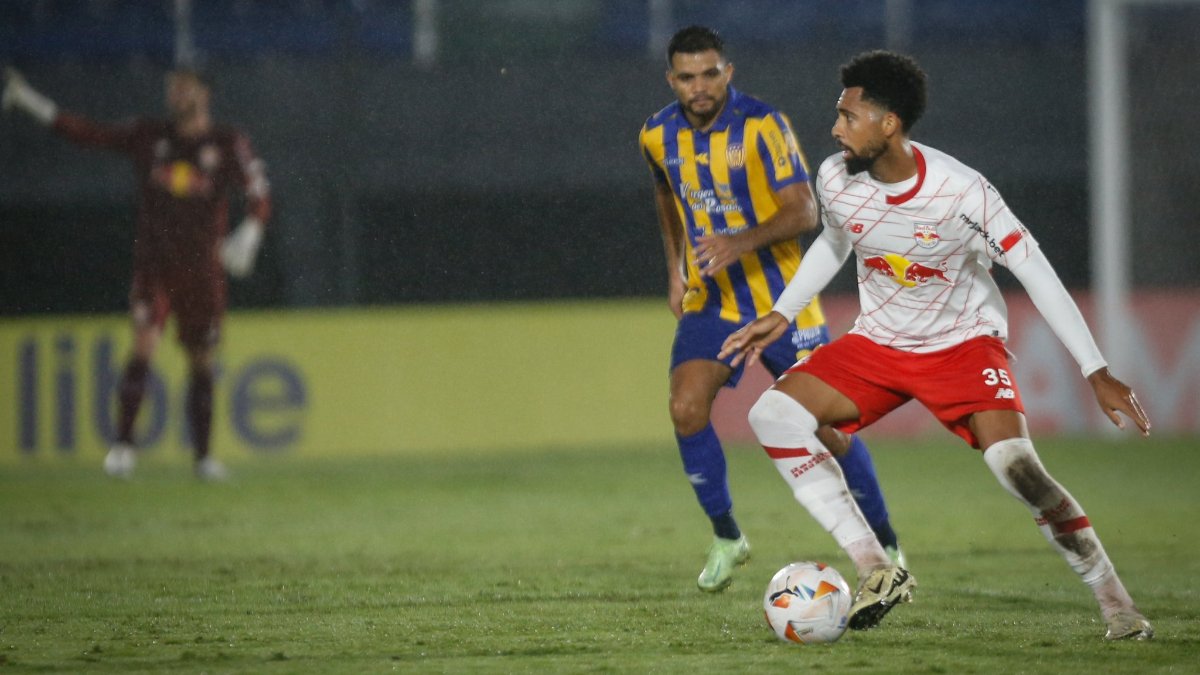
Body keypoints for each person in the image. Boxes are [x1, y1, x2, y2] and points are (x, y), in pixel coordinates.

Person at [719, 50, 1153, 639]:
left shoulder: (962, 193)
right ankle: (876, 567)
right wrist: (781, 311)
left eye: (848, 116)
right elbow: (835, 241)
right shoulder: (836, 177)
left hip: (963, 347)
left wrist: (1095, 368)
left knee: (1016, 468)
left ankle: (1117, 604)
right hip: (878, 344)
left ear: (889, 124)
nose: (835, 127)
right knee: (772, 415)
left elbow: (1036, 272)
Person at [639, 26, 905, 593]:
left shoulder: (763, 126)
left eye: (710, 73)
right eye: (687, 77)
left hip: (784, 302)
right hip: (712, 303)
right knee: (686, 407)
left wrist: (738, 242)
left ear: (727, 72)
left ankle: (885, 544)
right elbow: (665, 192)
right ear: (672, 80)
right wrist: (675, 267)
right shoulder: (657, 135)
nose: (700, 85)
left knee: (831, 430)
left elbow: (805, 211)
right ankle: (728, 536)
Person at [3, 66, 271, 481]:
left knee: (201, 362)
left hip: (202, 273)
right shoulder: (149, 136)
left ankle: (203, 459)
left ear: (204, 93)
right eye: (172, 88)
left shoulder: (227, 143)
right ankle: (123, 448)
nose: (176, 95)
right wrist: (29, 101)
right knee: (143, 347)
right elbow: (89, 133)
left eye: (184, 88)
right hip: (155, 267)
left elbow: (259, 192)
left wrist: (251, 231)